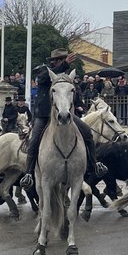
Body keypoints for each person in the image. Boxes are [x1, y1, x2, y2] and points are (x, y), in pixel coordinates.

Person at [21, 49, 100, 188]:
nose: (65, 62)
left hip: (64, 112)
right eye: (62, 60)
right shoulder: (45, 71)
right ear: (56, 61)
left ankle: (94, 165)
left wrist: (78, 105)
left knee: (87, 133)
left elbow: (72, 94)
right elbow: (44, 79)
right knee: (34, 141)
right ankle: (28, 174)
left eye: (65, 60)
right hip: (45, 114)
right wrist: (64, 65)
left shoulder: (65, 77)